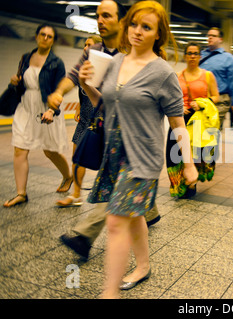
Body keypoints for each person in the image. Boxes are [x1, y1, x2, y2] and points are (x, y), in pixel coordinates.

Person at [79, 0, 198, 299]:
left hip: (142, 159)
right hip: (114, 153)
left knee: (116, 219)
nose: (137, 31)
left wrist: (189, 164)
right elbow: (105, 105)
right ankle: (143, 266)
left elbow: (178, 124)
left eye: (147, 27)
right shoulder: (116, 61)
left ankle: (109, 292)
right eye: (134, 24)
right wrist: (88, 86)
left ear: (158, 34)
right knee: (133, 217)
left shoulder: (163, 73)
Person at [50, 0, 160, 261]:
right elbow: (75, 75)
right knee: (124, 184)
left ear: (122, 21)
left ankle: (84, 236)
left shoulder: (135, 50)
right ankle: (149, 208)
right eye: (98, 15)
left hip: (134, 135)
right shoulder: (94, 51)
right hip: (105, 126)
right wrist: (58, 92)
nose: (100, 20)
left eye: (107, 16)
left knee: (117, 189)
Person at [3, 24, 72, 208]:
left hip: (46, 107)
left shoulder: (57, 63)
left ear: (53, 40)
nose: (46, 38)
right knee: (20, 148)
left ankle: (67, 176)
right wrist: (14, 82)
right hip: (26, 106)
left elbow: (59, 90)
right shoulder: (25, 58)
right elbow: (22, 83)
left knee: (49, 151)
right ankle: (21, 194)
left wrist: (52, 110)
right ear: (36, 36)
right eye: (43, 34)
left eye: (50, 36)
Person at [166, 42, 220, 199]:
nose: (192, 56)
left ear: (200, 56)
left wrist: (203, 102)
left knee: (195, 152)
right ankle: (179, 183)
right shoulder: (177, 76)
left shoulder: (208, 75)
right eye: (189, 53)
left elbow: (216, 96)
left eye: (196, 53)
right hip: (179, 117)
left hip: (198, 120)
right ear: (185, 56)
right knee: (174, 152)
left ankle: (192, 182)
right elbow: (170, 96)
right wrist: (177, 106)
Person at [55, 35, 102, 208]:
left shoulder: (102, 67)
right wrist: (78, 108)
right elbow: (82, 91)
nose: (86, 48)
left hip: (100, 120)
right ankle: (76, 194)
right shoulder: (85, 67)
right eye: (85, 45)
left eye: (90, 45)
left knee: (107, 160)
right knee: (77, 156)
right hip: (84, 119)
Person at [200, 27, 233, 130]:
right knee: (198, 131)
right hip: (200, 98)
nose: (210, 38)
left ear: (221, 39)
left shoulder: (228, 59)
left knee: (211, 131)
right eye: (209, 35)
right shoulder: (200, 55)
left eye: (213, 36)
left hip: (220, 100)